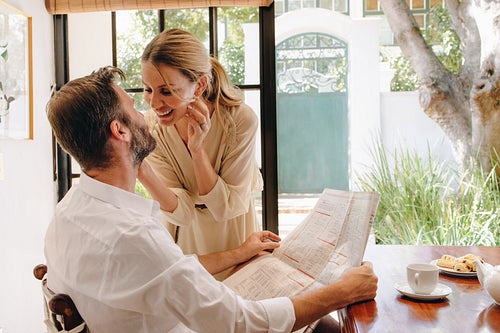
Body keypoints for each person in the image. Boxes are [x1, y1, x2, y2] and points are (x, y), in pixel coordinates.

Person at [44, 66, 378, 333]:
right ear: (121, 131)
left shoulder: (66, 215)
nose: (148, 111)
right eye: (134, 108)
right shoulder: (132, 236)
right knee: (329, 327)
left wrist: (238, 253)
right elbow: (239, 324)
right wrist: (343, 292)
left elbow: (161, 271)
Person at [138, 29, 263, 279]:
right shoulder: (151, 129)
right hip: (183, 236)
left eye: (166, 91)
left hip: (234, 232)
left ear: (200, 85)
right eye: (148, 89)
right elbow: (181, 212)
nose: (153, 103)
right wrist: (140, 168)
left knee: (239, 309)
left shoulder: (239, 121)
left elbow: (228, 208)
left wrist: (197, 151)